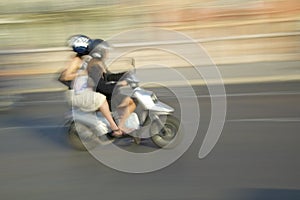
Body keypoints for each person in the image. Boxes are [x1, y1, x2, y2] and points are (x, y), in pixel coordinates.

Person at [60, 35, 122, 137]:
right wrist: (81, 73)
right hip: (76, 93)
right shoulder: (76, 60)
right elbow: (65, 77)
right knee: (101, 99)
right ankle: (114, 127)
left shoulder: (87, 59)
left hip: (83, 91)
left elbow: (105, 75)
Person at [87, 39, 136, 134]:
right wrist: (118, 85)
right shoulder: (94, 67)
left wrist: (125, 74)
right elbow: (101, 86)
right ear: (100, 52)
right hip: (104, 95)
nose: (108, 53)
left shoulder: (97, 63)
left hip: (106, 94)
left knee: (129, 100)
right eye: (106, 51)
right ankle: (120, 128)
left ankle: (120, 124)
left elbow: (108, 77)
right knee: (131, 102)